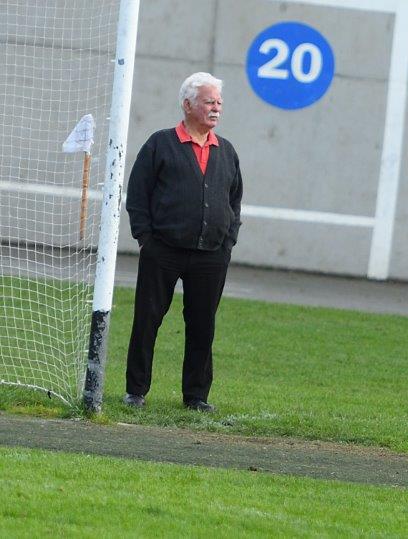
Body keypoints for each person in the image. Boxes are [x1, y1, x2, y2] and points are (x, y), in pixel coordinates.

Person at [123, 72, 243, 413]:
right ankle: (136, 390)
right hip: (163, 250)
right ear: (188, 104)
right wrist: (146, 238)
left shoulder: (227, 151)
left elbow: (235, 200)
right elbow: (138, 194)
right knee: (148, 320)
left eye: (219, 102)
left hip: (211, 255)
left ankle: (196, 396)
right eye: (209, 101)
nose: (216, 108)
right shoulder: (160, 144)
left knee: (203, 325)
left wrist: (227, 242)